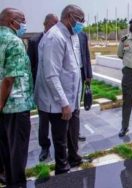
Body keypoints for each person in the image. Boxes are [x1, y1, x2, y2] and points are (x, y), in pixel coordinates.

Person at [34, 4, 86, 175]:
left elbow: (73, 67)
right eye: (80, 20)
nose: (82, 24)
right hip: (57, 102)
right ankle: (62, 171)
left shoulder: (73, 35)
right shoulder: (54, 37)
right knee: (60, 140)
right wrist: (64, 103)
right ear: (69, 16)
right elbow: (51, 75)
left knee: (71, 136)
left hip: (72, 99)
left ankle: (74, 158)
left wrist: (75, 100)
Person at [0, 8, 35, 187]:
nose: (24, 23)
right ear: (12, 21)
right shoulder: (14, 41)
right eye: (22, 20)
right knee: (18, 152)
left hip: (5, 108)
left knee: (6, 150)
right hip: (16, 105)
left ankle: (8, 179)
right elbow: (8, 79)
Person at [27, 13, 58, 162]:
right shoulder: (34, 41)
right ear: (45, 24)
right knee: (43, 121)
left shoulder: (59, 39)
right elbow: (30, 66)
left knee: (58, 120)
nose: (55, 27)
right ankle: (44, 147)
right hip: (42, 88)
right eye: (53, 24)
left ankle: (61, 145)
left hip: (57, 87)